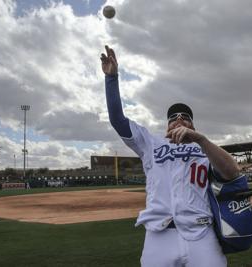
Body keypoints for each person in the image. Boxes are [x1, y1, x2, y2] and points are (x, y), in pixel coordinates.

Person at [101, 45, 241, 267]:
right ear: (166, 124)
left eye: (185, 116)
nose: (179, 119)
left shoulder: (205, 148)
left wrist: (201, 139)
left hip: (201, 233)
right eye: (173, 117)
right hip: (159, 235)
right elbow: (118, 120)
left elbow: (233, 172)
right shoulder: (151, 142)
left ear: (193, 124)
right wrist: (112, 79)